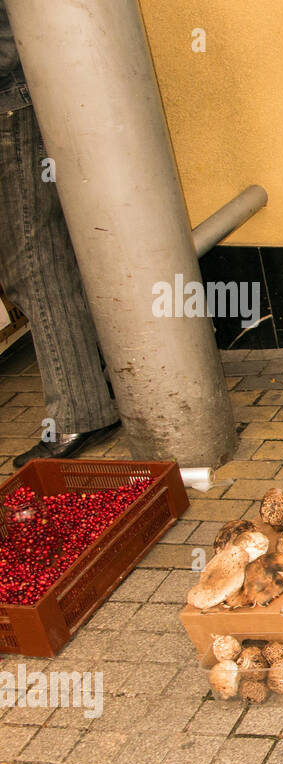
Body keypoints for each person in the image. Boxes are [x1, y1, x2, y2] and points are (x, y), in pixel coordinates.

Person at [0, 1, 119, 467]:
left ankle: (79, 413)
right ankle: (95, 388)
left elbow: (18, 31)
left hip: (11, 107)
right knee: (47, 254)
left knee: (31, 263)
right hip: (21, 102)